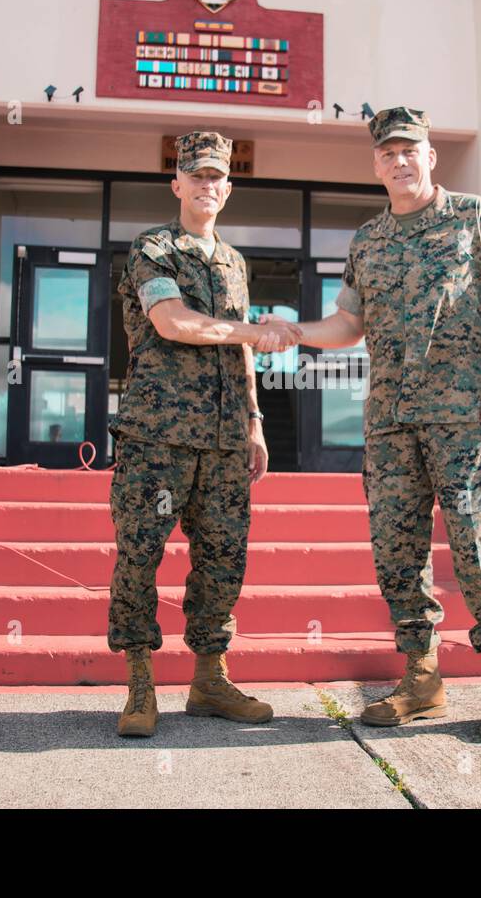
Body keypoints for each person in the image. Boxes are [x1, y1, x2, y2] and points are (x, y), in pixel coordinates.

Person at [261, 107, 481, 740]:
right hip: (389, 426)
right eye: (388, 154)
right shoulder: (368, 240)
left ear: (431, 155)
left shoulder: (475, 217)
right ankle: (422, 677)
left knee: (476, 544)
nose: (400, 161)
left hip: (465, 418)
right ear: (376, 165)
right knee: (396, 552)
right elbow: (348, 324)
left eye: (411, 150)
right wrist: (293, 332)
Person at [108, 129, 302, 737]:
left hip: (223, 441)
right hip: (156, 437)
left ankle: (208, 679)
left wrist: (255, 421)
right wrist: (252, 333)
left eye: (217, 177)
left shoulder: (234, 262)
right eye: (196, 175)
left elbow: (240, 352)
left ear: (228, 187)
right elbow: (173, 323)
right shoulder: (154, 248)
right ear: (177, 183)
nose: (207, 186)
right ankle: (141, 683)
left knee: (223, 560)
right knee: (140, 554)